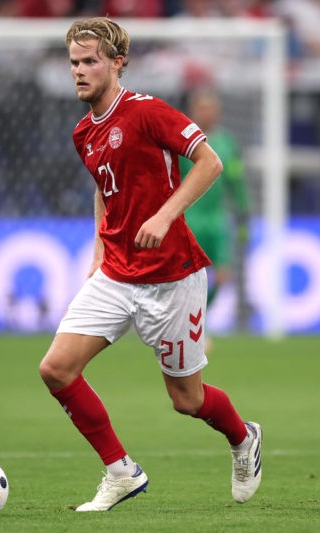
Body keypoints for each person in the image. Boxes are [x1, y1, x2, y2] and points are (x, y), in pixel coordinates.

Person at [37, 17, 262, 513]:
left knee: (187, 400)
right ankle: (121, 472)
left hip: (172, 276)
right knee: (56, 369)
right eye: (74, 62)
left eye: (90, 61)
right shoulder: (83, 133)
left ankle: (243, 437)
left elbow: (210, 163)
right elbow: (104, 187)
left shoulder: (147, 112)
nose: (79, 71)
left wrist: (163, 215)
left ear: (117, 63)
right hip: (117, 274)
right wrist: (99, 250)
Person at [180, 89, 250, 325]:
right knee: (186, 279)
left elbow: (236, 183)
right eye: (202, 108)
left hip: (218, 220)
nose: (207, 113)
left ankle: (197, 321)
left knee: (222, 276)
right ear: (193, 111)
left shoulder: (227, 144)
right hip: (190, 218)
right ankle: (186, 324)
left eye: (211, 109)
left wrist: (242, 219)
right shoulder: (182, 142)